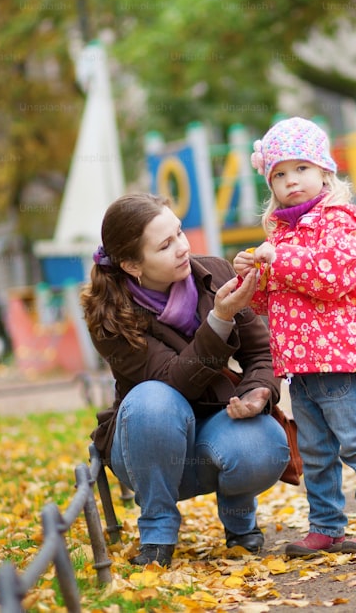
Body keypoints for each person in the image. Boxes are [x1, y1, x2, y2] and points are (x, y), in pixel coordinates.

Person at [82, 192, 289, 567]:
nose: (182, 247)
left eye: (178, 233)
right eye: (165, 245)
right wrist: (220, 319)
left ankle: (240, 521)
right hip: (146, 446)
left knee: (265, 444)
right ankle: (158, 532)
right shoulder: (109, 315)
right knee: (154, 400)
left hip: (214, 433)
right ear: (132, 264)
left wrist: (257, 392)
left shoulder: (215, 274)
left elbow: (261, 353)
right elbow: (174, 382)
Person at [233, 117, 356, 557]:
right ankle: (326, 525)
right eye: (280, 175)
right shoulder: (282, 234)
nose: (291, 182)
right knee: (316, 451)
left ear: (325, 172)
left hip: (339, 358)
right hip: (300, 365)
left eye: (300, 169)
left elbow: (331, 276)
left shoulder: (340, 221)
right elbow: (272, 303)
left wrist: (278, 258)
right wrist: (253, 280)